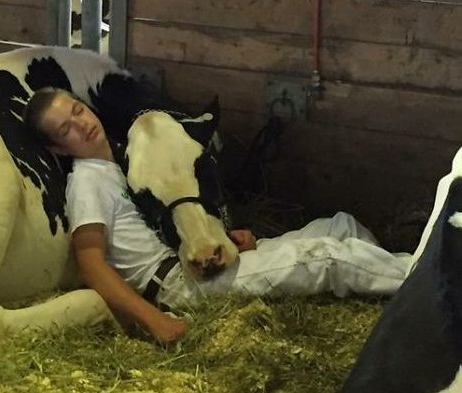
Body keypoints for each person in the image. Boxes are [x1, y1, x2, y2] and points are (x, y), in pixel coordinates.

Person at [23, 87, 414, 345]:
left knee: (340, 224)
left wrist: (227, 238)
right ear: (58, 148)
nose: (82, 124)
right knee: (328, 257)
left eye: (77, 110)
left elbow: (172, 223)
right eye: (66, 129)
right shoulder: (88, 182)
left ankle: (390, 302)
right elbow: (90, 263)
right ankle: (430, 281)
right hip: (177, 286)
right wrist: (153, 321)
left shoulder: (125, 159)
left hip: (192, 260)